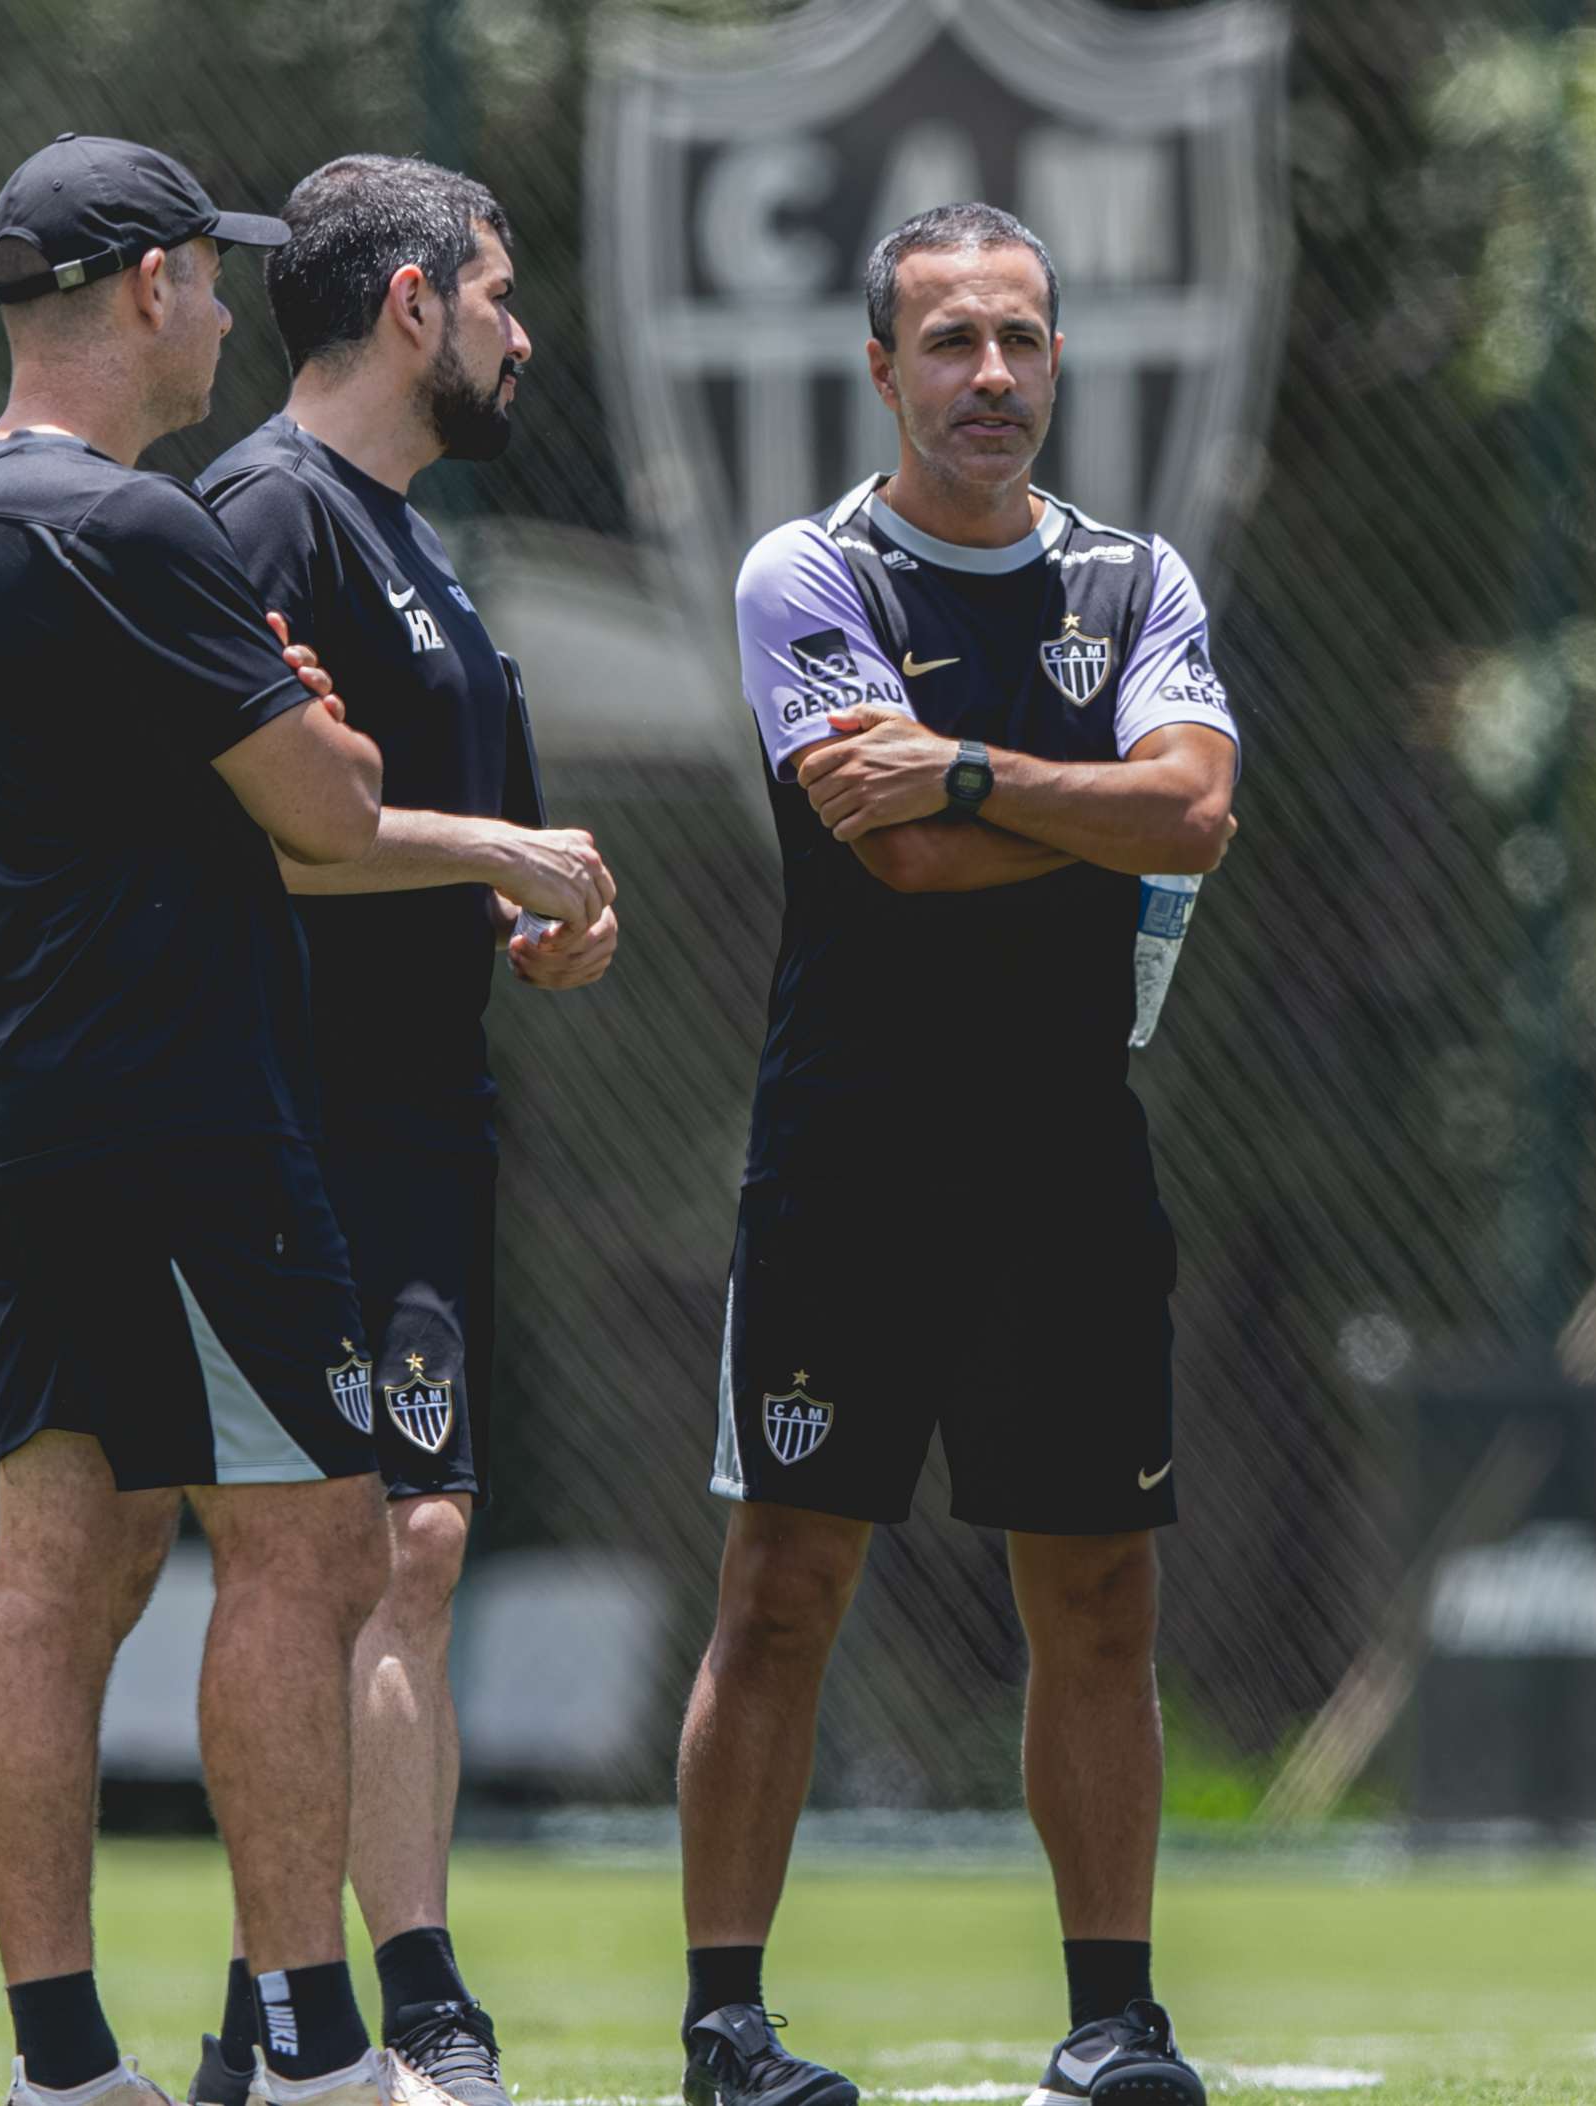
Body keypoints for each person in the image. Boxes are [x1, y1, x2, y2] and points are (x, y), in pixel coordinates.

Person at [667, 202, 1242, 2106]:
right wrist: (1100, 814)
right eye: (951, 345)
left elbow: (1198, 815)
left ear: (1059, 360)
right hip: (849, 1164)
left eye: (1021, 342)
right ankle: (729, 2026)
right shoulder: (806, 572)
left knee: (1097, 1602)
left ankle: (1114, 2021)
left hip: (1071, 1174)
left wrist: (981, 772)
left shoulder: (1135, 578)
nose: (990, 379)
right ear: (881, 368)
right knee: (782, 1589)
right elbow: (889, 859)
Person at [0, 134, 409, 2106]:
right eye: (211, 279)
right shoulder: (133, 527)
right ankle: (313, 2056)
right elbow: (333, 815)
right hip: (184, 1114)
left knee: (67, 1568)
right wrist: (353, 747)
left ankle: (63, 2072)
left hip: (31, 1107)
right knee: (313, 1548)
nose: (224, 312)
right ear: (145, 286)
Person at [178, 153, 617, 2106]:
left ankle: (350, 2015)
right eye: (503, 291)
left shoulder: (429, 544)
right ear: (416, 304)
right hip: (295, 1121)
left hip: (427, 1116)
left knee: (416, 1544)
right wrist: (493, 854)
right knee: (343, 1553)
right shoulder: (268, 515)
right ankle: (350, 2020)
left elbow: (433, 844)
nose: (526, 331)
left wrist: (540, 911)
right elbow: (255, 841)